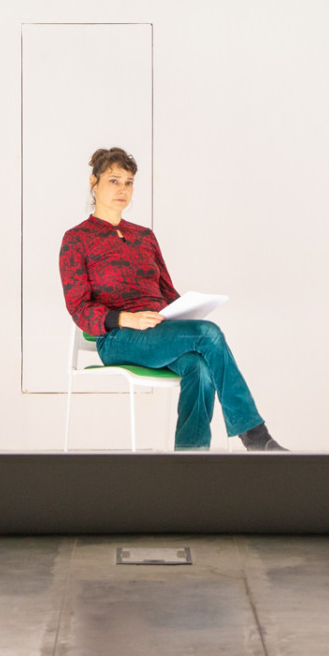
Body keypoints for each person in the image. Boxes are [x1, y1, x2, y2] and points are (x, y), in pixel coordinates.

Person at [57, 146, 287, 452]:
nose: (122, 189)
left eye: (128, 182)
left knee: (200, 368)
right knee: (209, 334)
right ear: (93, 182)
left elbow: (167, 292)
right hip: (117, 339)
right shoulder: (77, 239)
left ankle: (189, 465)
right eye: (113, 180)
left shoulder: (144, 236)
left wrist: (188, 309)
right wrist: (127, 319)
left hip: (159, 333)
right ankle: (255, 436)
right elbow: (78, 307)